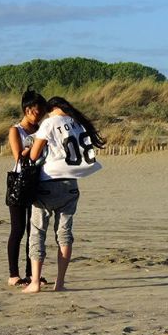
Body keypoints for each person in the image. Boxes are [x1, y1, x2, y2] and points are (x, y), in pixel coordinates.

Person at [23, 96, 105, 294]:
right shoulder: (78, 124)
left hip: (48, 182)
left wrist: (27, 151)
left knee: (37, 232)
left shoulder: (49, 123)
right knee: (65, 234)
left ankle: (35, 282)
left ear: (52, 109)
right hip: (71, 184)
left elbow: (34, 155)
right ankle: (60, 282)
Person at [6, 89, 47, 287]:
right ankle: (14, 274)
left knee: (35, 230)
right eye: (38, 111)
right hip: (20, 183)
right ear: (28, 110)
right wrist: (35, 146)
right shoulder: (16, 130)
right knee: (18, 229)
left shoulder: (42, 129)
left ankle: (33, 273)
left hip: (39, 181)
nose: (41, 115)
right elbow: (18, 156)